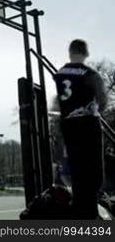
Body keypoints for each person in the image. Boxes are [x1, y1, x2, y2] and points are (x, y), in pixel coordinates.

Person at [53, 39, 107, 219]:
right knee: (93, 172)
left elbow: (57, 102)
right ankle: (90, 214)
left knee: (76, 171)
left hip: (68, 124)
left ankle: (79, 212)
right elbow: (103, 100)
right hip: (87, 123)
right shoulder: (89, 73)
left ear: (70, 53)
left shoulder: (59, 74)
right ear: (85, 53)